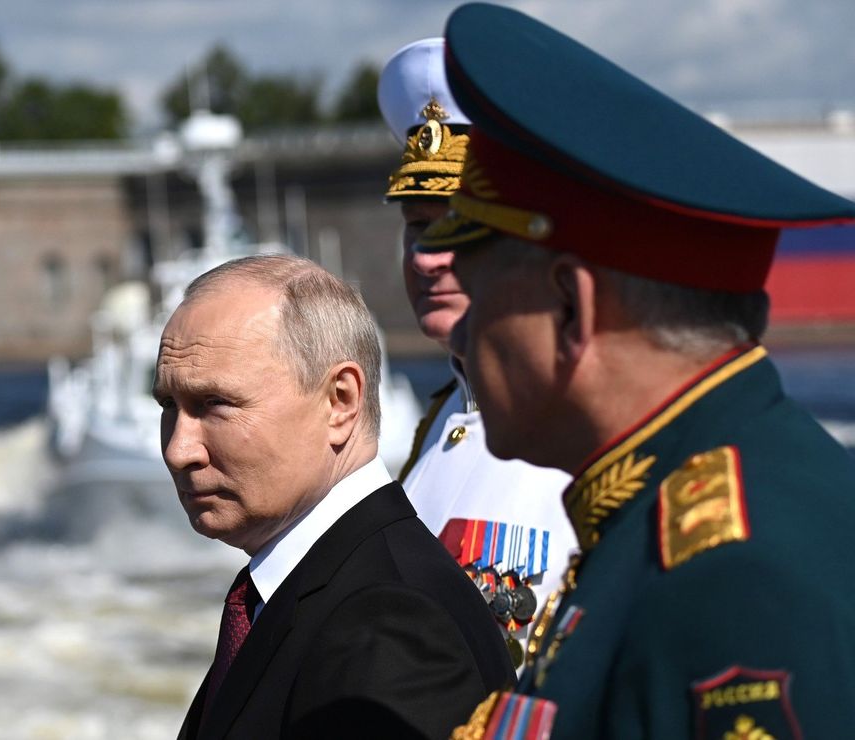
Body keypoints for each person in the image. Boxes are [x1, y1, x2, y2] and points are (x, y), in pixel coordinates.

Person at [414, 4, 855, 739]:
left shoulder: (732, 580)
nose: (461, 327)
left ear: (568, 308)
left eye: (479, 291)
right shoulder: (679, 510)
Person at [154, 253, 514, 740]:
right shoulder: (317, 586)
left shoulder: (388, 624)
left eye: (215, 404)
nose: (179, 449)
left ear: (340, 401)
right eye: (169, 406)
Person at [377, 37, 577, 669]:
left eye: (460, 226)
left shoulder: (586, 435)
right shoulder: (438, 424)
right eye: (417, 226)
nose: (427, 256)